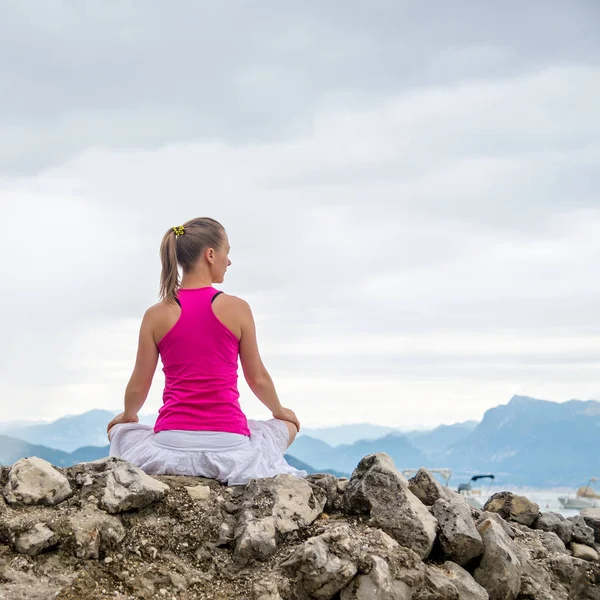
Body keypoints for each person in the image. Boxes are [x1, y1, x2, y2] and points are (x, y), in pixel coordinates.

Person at [106, 217, 306, 485]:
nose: (229, 261)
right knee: (287, 426)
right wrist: (281, 412)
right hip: (230, 447)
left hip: (170, 445)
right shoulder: (237, 308)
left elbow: (138, 387)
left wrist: (128, 417)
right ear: (210, 255)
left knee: (120, 430)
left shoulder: (155, 314)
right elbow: (256, 378)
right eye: (228, 253)